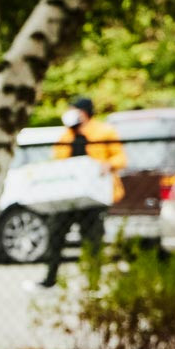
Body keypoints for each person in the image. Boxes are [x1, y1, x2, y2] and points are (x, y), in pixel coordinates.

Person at [40, 94, 122, 287]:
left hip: (93, 196)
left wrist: (108, 165)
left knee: (93, 240)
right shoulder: (66, 135)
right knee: (56, 236)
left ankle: (93, 281)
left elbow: (121, 158)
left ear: (84, 112)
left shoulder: (104, 132)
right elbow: (57, 161)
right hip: (69, 195)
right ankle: (50, 279)